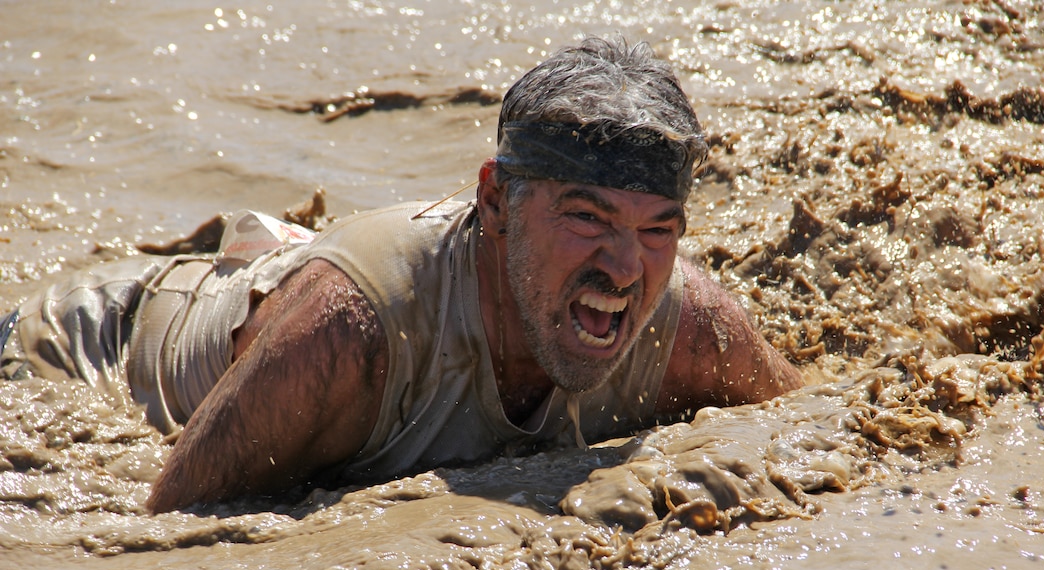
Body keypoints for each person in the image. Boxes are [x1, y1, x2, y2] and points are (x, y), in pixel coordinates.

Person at [0, 37, 803, 513]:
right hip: (88, 341)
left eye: (656, 229)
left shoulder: (685, 322)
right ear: (496, 200)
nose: (626, 267)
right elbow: (163, 534)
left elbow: (824, 429)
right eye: (587, 217)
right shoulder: (352, 337)